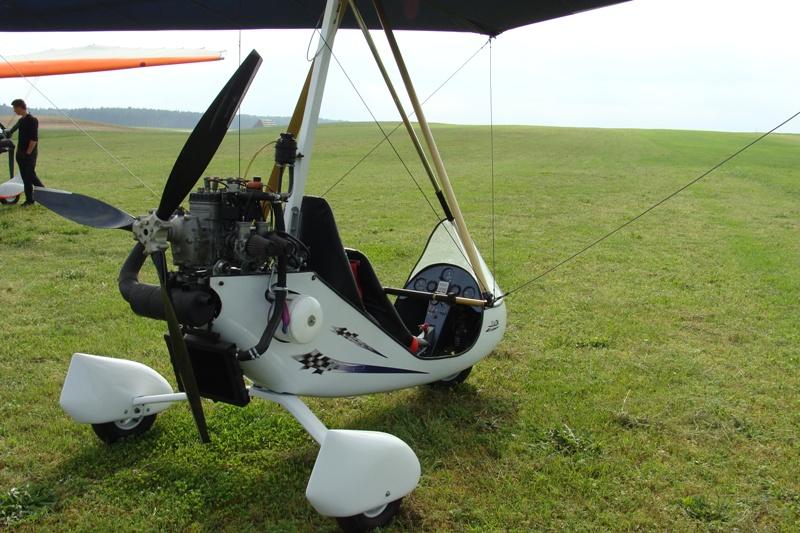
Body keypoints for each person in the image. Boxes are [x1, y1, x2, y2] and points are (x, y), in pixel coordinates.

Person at [4, 99, 44, 205]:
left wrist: (28, 153)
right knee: (25, 178)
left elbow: (34, 139)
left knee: (31, 176)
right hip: (20, 154)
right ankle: (29, 200)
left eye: (14, 108)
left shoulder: (32, 120)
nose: (14, 111)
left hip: (29, 154)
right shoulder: (21, 120)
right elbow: (12, 130)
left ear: (20, 107)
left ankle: (47, 194)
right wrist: (7, 133)